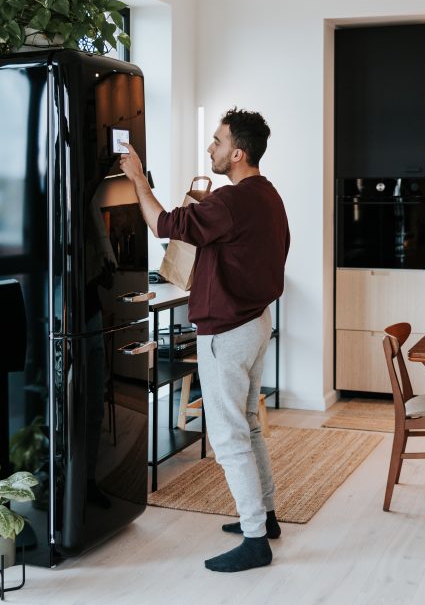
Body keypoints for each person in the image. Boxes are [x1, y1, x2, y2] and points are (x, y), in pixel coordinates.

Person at [119, 107, 289, 572]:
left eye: (216, 142)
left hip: (228, 332)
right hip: (256, 323)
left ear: (237, 152)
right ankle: (266, 517)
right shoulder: (266, 195)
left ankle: (255, 540)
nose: (208, 148)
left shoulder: (230, 203)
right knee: (248, 426)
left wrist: (137, 179)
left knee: (229, 434)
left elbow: (161, 224)